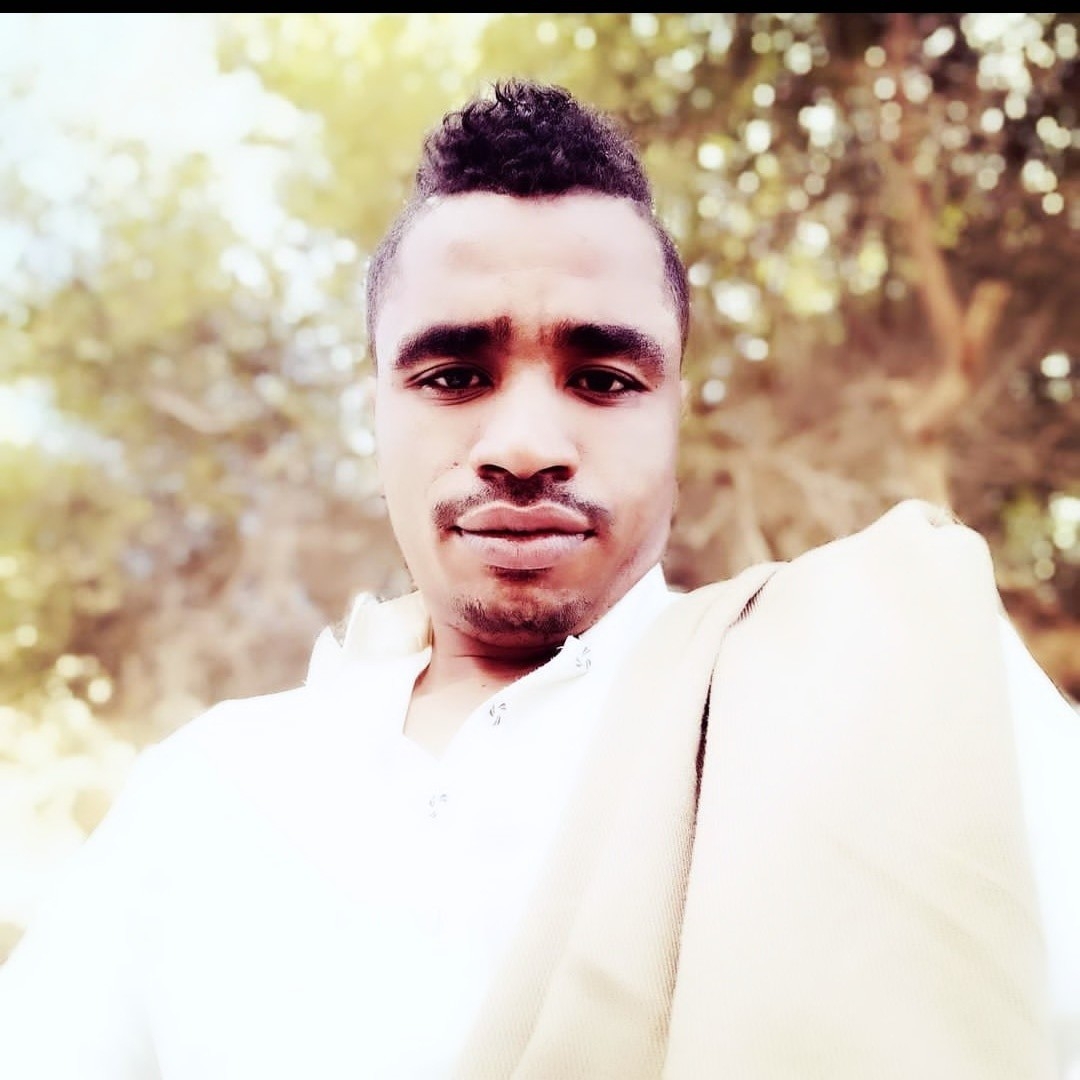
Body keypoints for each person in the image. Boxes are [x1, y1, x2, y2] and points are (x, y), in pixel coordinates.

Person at [0, 78, 1077, 1080]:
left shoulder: (905, 692)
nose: (523, 446)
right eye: (452, 376)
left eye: (601, 379)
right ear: (377, 411)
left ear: (673, 409)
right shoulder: (209, 789)